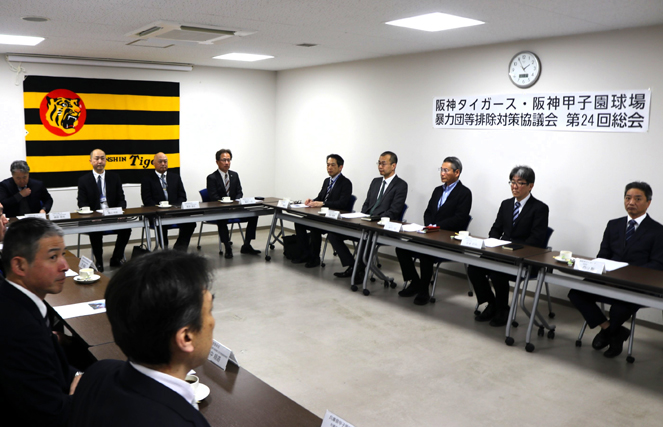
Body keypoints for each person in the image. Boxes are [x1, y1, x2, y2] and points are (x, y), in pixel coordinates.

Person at [68, 250, 213, 427]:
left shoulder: (97, 372)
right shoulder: (181, 421)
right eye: (209, 311)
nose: (212, 322)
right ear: (186, 337)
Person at [0, 218, 81, 427]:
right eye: (53, 257)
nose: (65, 266)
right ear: (19, 265)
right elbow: (52, 415)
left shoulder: (17, 300)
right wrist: (80, 394)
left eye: (63, 254)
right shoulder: (19, 329)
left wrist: (79, 376)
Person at [568, 181, 663, 358]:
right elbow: (603, 254)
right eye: (628, 198)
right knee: (576, 293)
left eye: (637, 199)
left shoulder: (658, 231)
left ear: (648, 202)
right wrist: (605, 271)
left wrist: (625, 275)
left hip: (637, 285)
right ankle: (612, 331)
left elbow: (657, 265)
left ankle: (609, 333)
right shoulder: (614, 225)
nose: (631, 202)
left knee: (619, 308)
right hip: (609, 279)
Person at [468, 166, 549, 327]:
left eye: (520, 183)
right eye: (512, 182)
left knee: (497, 271)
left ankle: (502, 310)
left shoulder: (539, 208)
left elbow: (536, 239)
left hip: (523, 257)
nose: (514, 186)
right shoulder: (506, 204)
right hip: (501, 253)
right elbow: (496, 228)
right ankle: (492, 304)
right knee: (474, 268)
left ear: (530, 186)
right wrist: (492, 243)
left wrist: (511, 248)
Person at [396, 157, 472, 305]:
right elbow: (428, 211)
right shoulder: (438, 190)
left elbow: (460, 219)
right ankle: (415, 282)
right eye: (441, 170)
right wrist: (429, 226)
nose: (442, 173)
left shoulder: (464, 193)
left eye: (446, 170)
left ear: (457, 172)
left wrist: (436, 227)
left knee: (426, 252)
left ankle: (423, 291)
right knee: (402, 248)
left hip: (449, 238)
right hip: (431, 234)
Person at [329, 151, 408, 284]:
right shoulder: (375, 182)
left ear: (393, 165)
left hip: (381, 226)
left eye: (383, 163)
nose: (380, 166)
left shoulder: (401, 185)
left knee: (366, 237)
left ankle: (359, 272)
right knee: (333, 234)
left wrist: (374, 220)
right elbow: (367, 204)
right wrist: (363, 217)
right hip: (366, 223)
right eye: (379, 163)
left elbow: (394, 211)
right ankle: (352, 265)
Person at [292, 154, 353, 268]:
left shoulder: (346, 183)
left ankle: (315, 258)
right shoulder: (326, 181)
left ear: (340, 167)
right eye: (328, 165)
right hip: (322, 215)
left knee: (315, 226)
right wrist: (312, 201)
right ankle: (305, 254)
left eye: (333, 165)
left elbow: (342, 204)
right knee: (299, 223)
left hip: (333, 218)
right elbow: (321, 197)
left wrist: (323, 203)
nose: (329, 168)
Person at [77, 149, 131, 272]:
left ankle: (116, 258)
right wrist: (92, 215)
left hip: (112, 215)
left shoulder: (114, 177)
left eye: (102, 158)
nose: (100, 161)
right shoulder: (84, 180)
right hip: (95, 218)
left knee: (126, 229)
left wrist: (120, 211)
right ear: (91, 161)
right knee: (95, 230)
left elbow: (121, 199)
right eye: (96, 159)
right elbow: (82, 203)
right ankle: (99, 262)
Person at [206, 149, 260, 258]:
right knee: (222, 219)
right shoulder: (212, 177)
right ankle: (227, 247)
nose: (227, 163)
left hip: (235, 207)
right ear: (217, 162)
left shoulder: (234, 175)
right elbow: (214, 196)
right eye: (224, 160)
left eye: (229, 160)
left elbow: (239, 192)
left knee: (254, 214)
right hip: (220, 208)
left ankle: (247, 244)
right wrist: (227, 204)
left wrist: (235, 203)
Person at [141, 152, 196, 251]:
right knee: (161, 224)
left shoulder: (175, 177)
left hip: (174, 211)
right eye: (160, 161)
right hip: (157, 213)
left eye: (165, 161)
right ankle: (165, 249)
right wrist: (161, 209)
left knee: (190, 222)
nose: (163, 164)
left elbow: (182, 196)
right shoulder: (147, 179)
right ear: (153, 163)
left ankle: (179, 249)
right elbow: (147, 200)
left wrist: (174, 208)